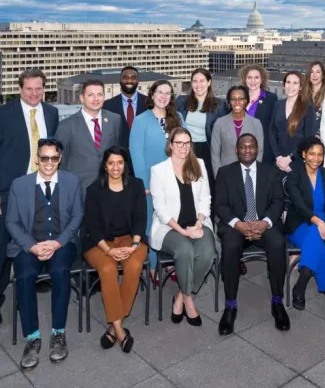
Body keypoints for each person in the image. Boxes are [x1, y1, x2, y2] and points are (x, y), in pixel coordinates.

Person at [6, 139, 83, 369]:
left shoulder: (72, 181)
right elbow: (11, 221)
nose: (49, 163)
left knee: (60, 271)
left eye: (53, 158)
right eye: (44, 158)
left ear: (59, 159)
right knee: (25, 276)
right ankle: (32, 337)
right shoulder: (19, 185)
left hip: (62, 242)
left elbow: (77, 216)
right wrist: (32, 246)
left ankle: (58, 334)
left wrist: (58, 243)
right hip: (28, 244)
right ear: (37, 159)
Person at [0, 68, 59, 325]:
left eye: (38, 88)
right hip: (8, 191)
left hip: (40, 187)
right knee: (2, 247)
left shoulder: (52, 112)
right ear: (19, 89)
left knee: (39, 234)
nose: (34, 93)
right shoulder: (4, 114)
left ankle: (35, 278)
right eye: (29, 89)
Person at [214, 134, 289, 335]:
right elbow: (219, 204)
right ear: (236, 150)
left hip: (264, 224)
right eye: (243, 147)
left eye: (251, 147)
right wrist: (238, 225)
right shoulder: (225, 173)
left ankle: (277, 301)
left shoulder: (271, 172)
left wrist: (265, 223)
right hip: (237, 226)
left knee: (278, 243)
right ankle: (230, 305)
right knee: (229, 246)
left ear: (258, 149)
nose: (247, 150)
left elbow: (277, 201)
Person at [83, 146, 148, 353]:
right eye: (111, 163)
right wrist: (109, 251)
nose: (115, 167)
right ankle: (119, 330)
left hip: (131, 238)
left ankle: (113, 325)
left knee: (135, 264)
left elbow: (140, 219)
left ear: (125, 164)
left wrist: (134, 245)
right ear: (105, 165)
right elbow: (92, 227)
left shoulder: (136, 185)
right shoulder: (94, 190)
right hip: (100, 242)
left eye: (120, 162)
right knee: (109, 269)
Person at [150, 128, 216, 326]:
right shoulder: (158, 170)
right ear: (170, 145)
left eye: (187, 143)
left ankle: (182, 295)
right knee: (185, 250)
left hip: (197, 223)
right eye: (179, 143)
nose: (183, 147)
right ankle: (189, 300)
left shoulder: (199, 165)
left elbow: (206, 197)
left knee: (207, 253)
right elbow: (160, 209)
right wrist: (183, 231)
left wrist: (199, 223)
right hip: (169, 227)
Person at [129, 80, 184, 279]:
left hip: (175, 180)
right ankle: (152, 265)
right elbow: (136, 154)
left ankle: (171, 263)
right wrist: (144, 183)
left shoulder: (177, 117)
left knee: (173, 221)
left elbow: (185, 148)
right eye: (159, 92)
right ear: (152, 95)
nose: (163, 96)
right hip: (150, 184)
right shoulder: (141, 120)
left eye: (167, 93)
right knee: (152, 223)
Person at [285, 137, 325, 324]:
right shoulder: (294, 175)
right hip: (298, 223)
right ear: (303, 154)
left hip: (320, 223)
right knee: (316, 239)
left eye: (320, 155)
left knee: (315, 240)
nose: (316, 158)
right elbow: (299, 206)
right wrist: (320, 223)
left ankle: (302, 281)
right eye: (312, 154)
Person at [56, 79, 122, 196]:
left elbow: (117, 152)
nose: (96, 99)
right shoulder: (66, 125)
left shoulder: (114, 120)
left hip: (109, 188)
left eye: (100, 94)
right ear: (82, 98)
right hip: (79, 190)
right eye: (91, 95)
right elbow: (62, 162)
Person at [176, 68, 229, 196]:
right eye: (195, 81)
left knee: (206, 187)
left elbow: (222, 132)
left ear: (209, 82)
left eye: (202, 81)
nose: (198, 85)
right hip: (185, 149)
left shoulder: (219, 105)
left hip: (207, 149)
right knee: (185, 185)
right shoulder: (181, 101)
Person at [211, 86, 264, 177]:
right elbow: (215, 154)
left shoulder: (256, 123)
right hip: (226, 175)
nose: (237, 102)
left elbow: (260, 152)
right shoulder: (219, 123)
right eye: (233, 99)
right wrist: (218, 176)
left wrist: (255, 174)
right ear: (229, 101)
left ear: (246, 101)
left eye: (241, 98)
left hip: (249, 175)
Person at [269, 71, 317, 172]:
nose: (290, 86)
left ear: (300, 87)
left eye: (295, 83)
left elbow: (309, 138)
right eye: (288, 82)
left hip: (296, 162)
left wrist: (290, 158)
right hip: (277, 161)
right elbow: (272, 132)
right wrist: (278, 157)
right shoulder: (278, 104)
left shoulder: (307, 107)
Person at [240, 64, 279, 164]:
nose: (253, 81)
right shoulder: (238, 98)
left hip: (263, 149)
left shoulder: (271, 99)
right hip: (241, 148)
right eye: (250, 77)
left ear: (262, 79)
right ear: (245, 79)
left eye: (256, 77)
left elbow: (274, 127)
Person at [103, 66, 147, 149]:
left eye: (133, 78)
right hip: (119, 158)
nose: (129, 81)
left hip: (144, 157)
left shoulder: (149, 104)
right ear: (120, 80)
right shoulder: (108, 106)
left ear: (138, 81)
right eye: (125, 77)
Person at [303, 61, 325, 132]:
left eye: (318, 72)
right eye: (312, 72)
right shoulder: (303, 93)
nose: (314, 75)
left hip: (324, 136)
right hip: (305, 136)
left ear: (323, 75)